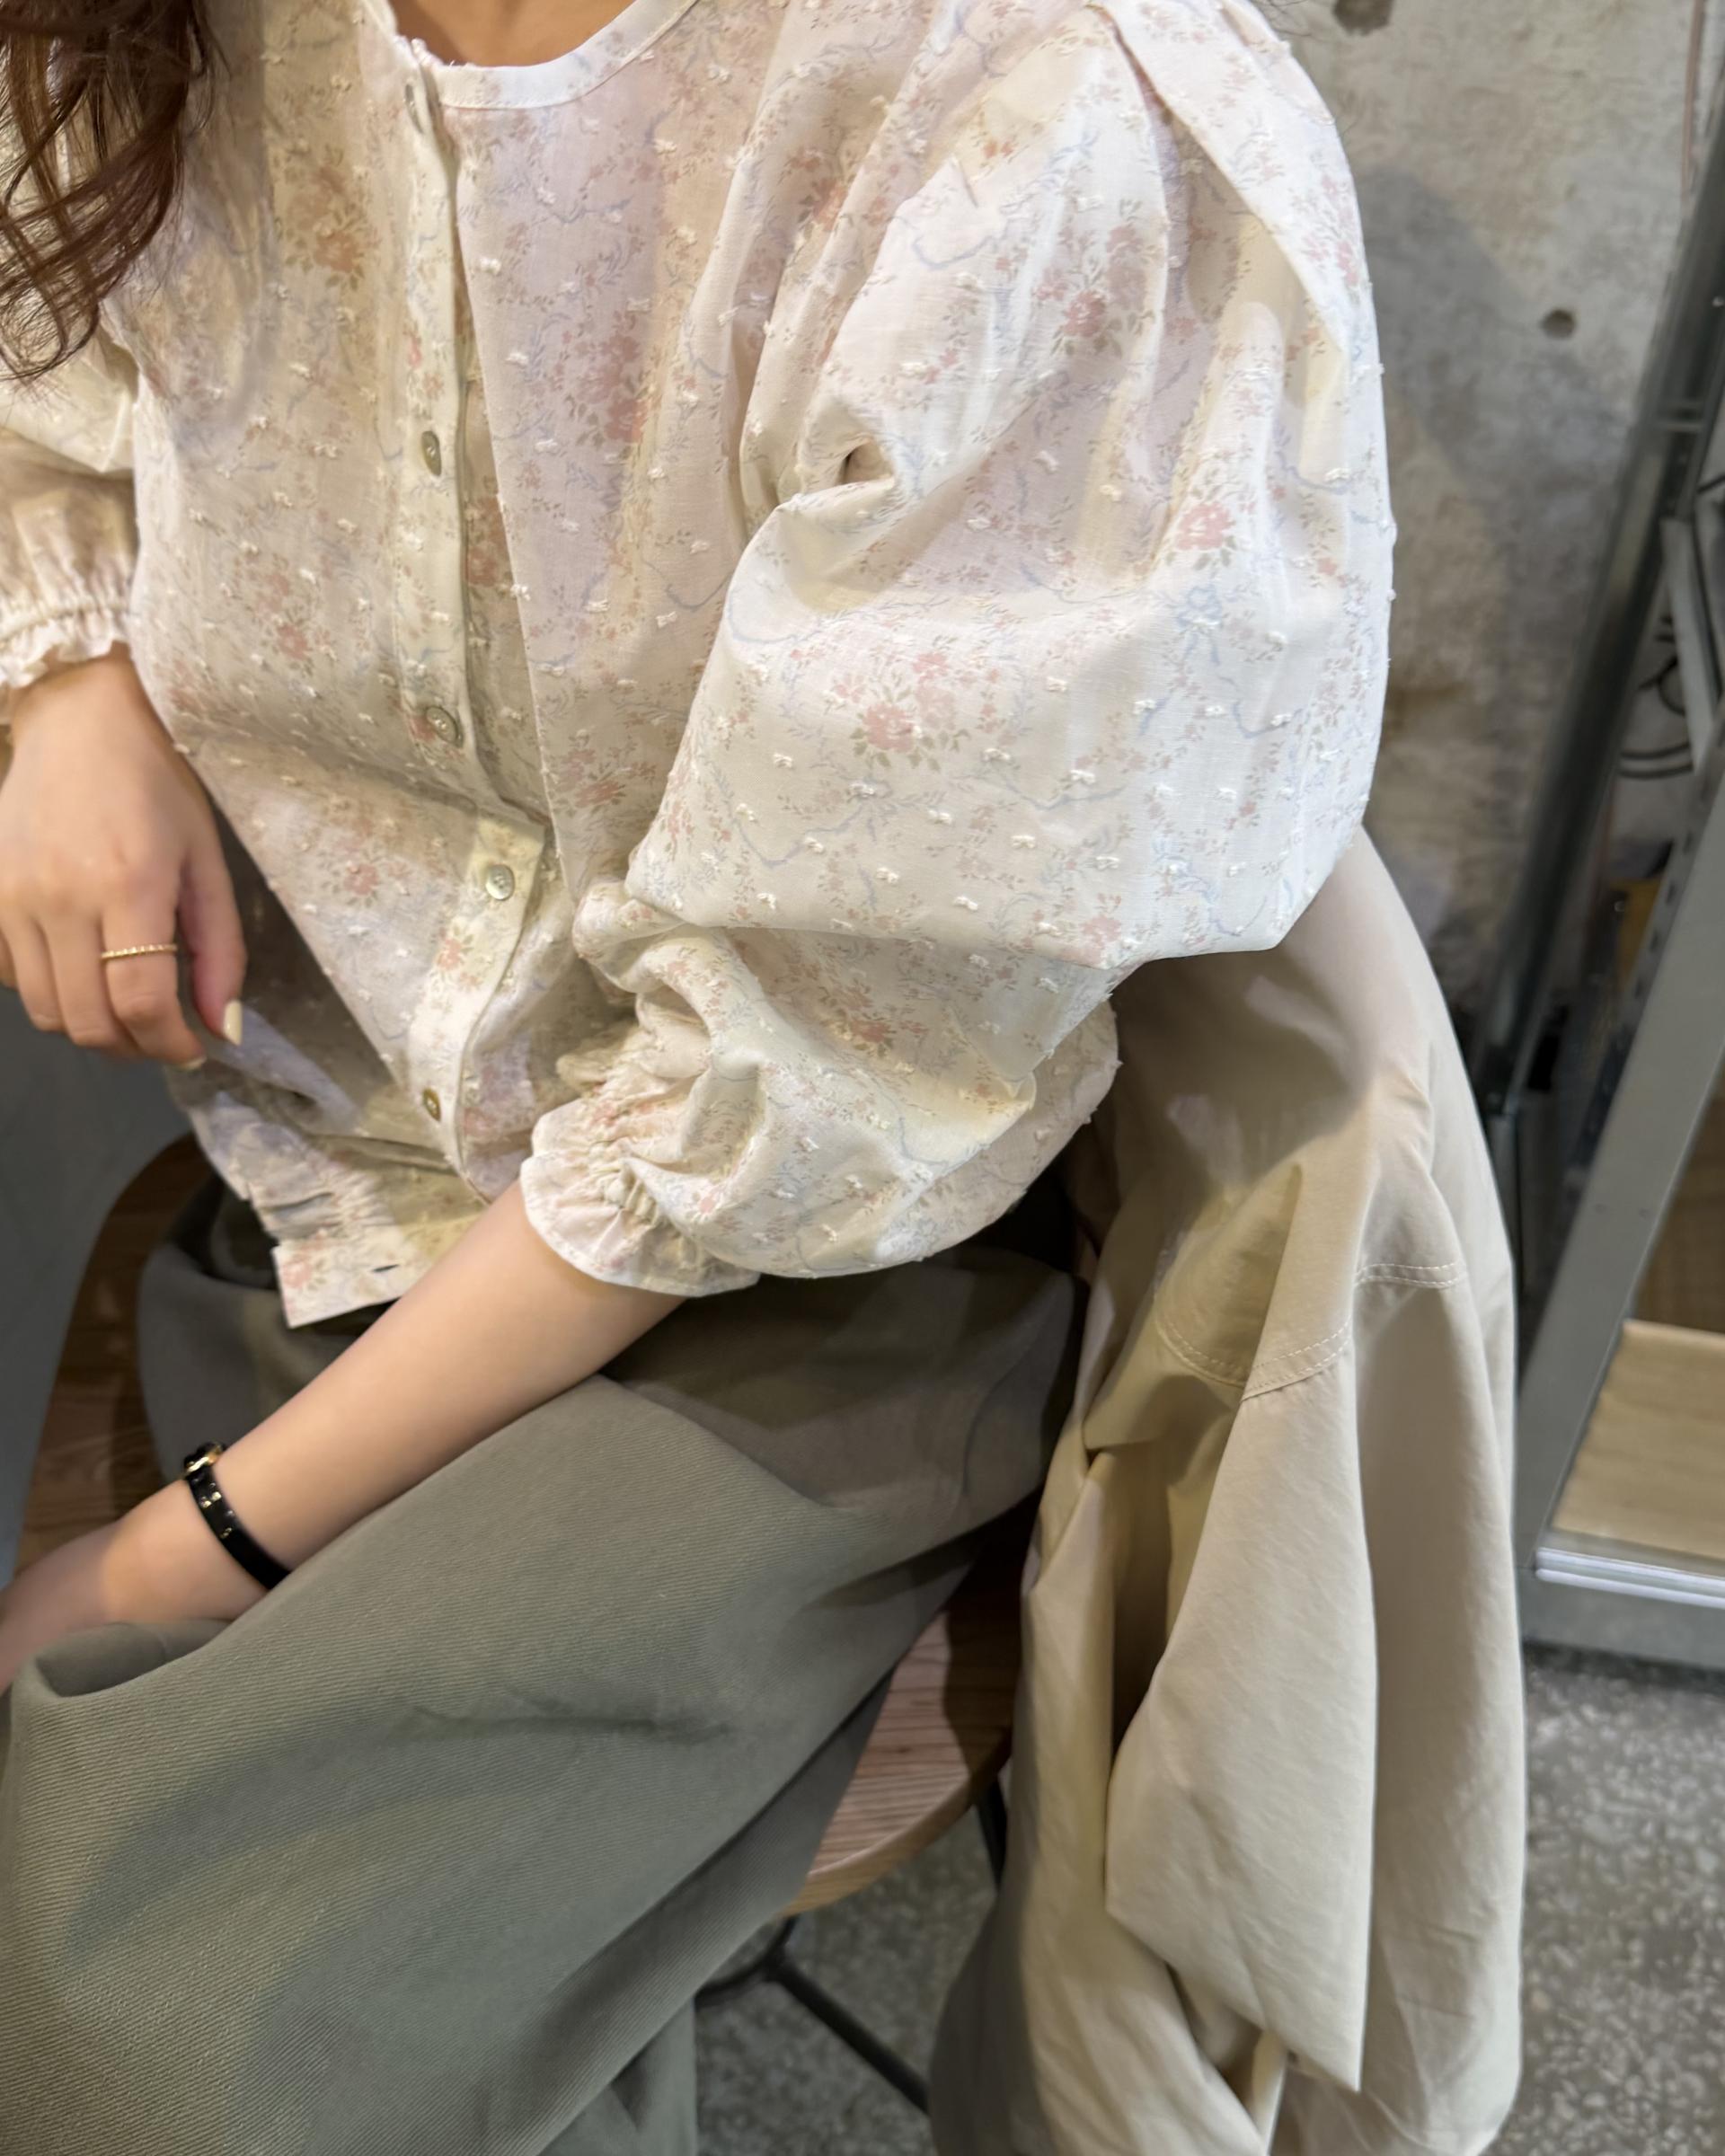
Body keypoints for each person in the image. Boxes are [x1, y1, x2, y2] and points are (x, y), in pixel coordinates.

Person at [0, 0, 1394, 2145]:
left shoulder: (1018, 111)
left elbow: (807, 1083)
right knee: (208, 1970)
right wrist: (71, 679)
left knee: (165, 2031)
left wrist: (191, 1554)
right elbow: (53, 360)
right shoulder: (144, 31)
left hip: (813, 1278)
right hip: (331, 1159)